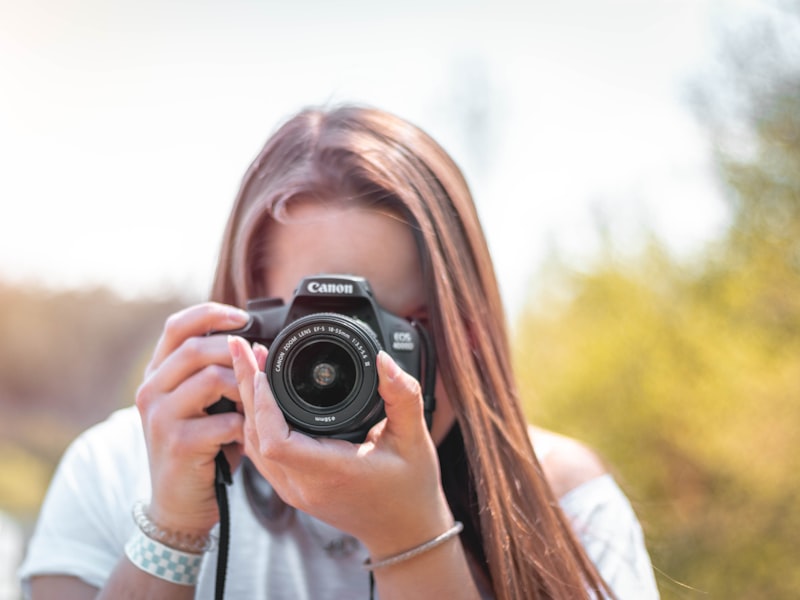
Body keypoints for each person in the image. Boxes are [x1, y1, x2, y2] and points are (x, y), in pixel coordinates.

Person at [19, 105, 659, 599]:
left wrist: (413, 538)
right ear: (247, 330)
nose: (346, 363)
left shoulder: (559, 502)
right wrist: (174, 530)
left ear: (467, 330)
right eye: (317, 327)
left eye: (394, 324)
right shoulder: (116, 471)